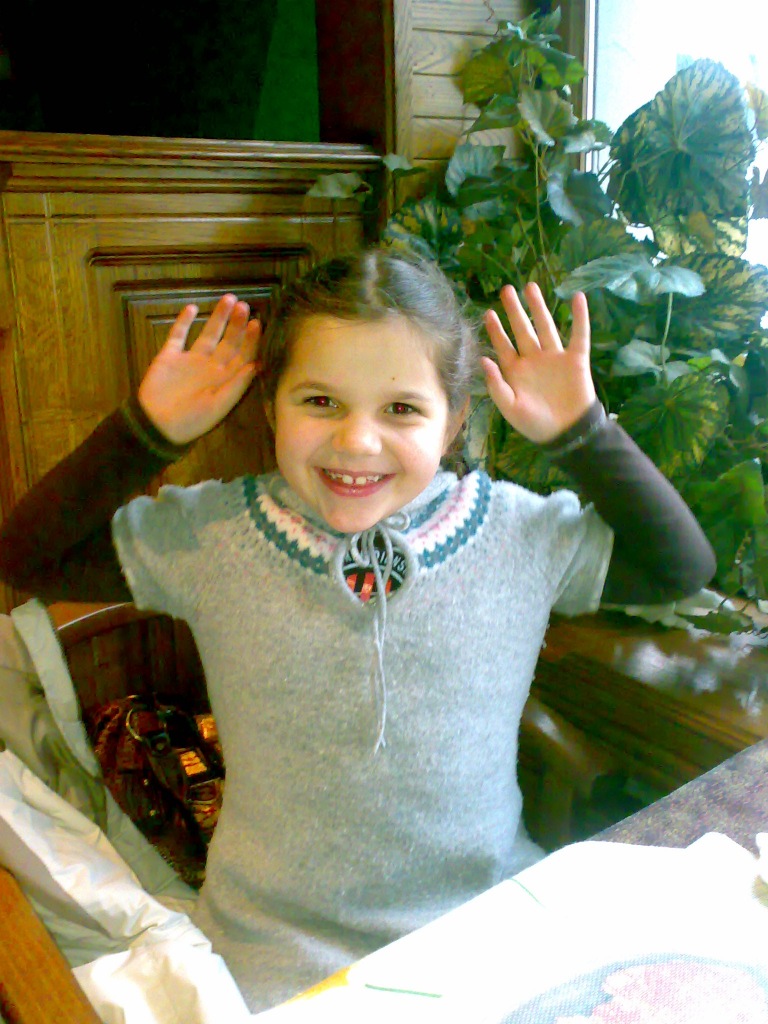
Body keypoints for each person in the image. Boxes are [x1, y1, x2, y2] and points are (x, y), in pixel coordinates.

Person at [0, 248, 715, 1011]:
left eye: (401, 409)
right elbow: (27, 556)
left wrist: (581, 432)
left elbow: (681, 567)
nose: (357, 442)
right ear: (271, 407)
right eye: (321, 401)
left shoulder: (519, 534)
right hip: (272, 945)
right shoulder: (212, 537)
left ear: (455, 419)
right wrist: (148, 430)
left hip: (485, 923)